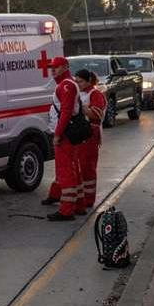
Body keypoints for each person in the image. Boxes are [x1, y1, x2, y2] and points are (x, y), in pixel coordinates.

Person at [41, 56, 83, 221]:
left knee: (66, 172)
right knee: (71, 170)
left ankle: (66, 210)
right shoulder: (67, 84)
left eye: (56, 67)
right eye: (51, 67)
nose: (53, 70)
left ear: (65, 67)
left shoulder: (66, 85)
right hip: (68, 134)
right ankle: (77, 205)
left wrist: (57, 134)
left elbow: (65, 112)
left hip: (65, 135)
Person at [75, 69, 106, 210]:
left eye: (80, 81)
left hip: (90, 135)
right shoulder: (79, 93)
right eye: (76, 81)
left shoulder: (96, 94)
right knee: (78, 167)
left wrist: (80, 107)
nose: (78, 84)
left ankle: (88, 198)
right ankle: (80, 197)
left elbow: (96, 114)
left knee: (88, 167)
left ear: (88, 80)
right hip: (79, 135)